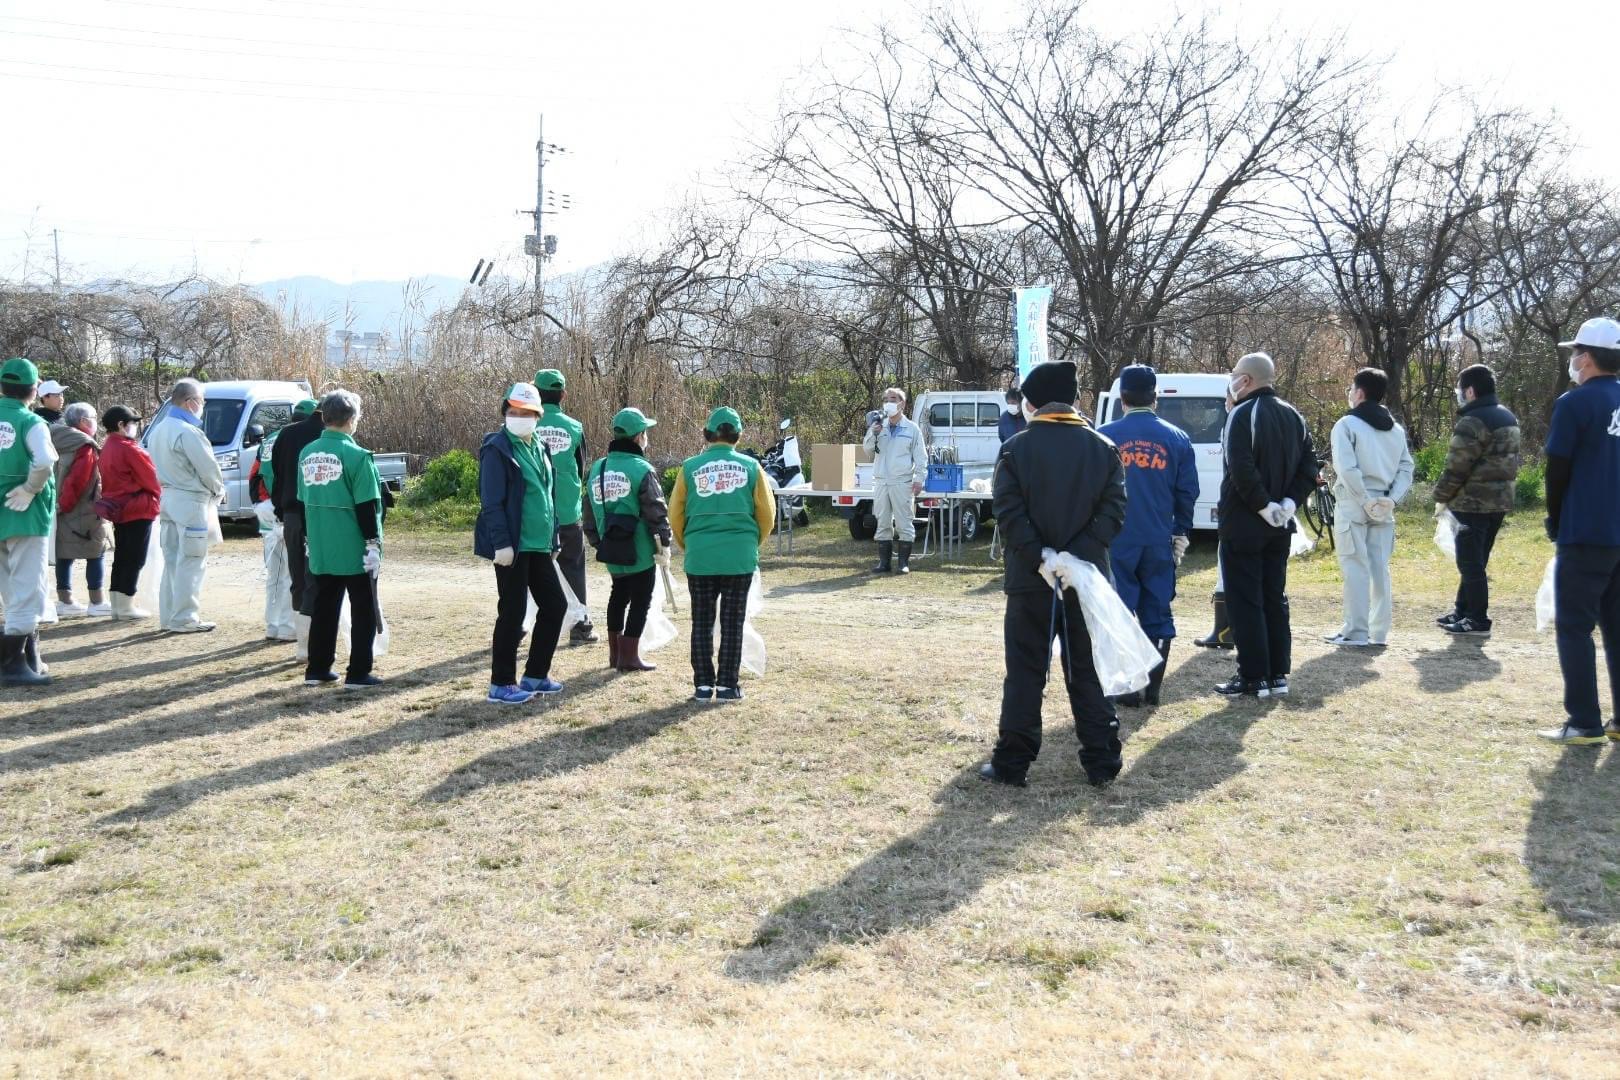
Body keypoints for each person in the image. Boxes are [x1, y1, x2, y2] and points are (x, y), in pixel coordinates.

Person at [979, 360, 1127, 789]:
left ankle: (1012, 763)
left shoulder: (1015, 450)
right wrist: (1072, 557)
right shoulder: (1103, 449)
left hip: (1030, 578)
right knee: (1088, 669)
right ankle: (1102, 760)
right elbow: (1113, 513)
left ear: (1029, 403)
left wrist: (1042, 557)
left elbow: (1009, 514)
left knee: (1025, 671)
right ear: (1076, 399)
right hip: (1086, 579)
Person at [1215, 352, 1318, 698]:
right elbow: (1310, 468)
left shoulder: (1242, 413)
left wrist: (1265, 506)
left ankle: (1252, 675)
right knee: (1274, 596)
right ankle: (1276, 673)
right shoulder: (1294, 415)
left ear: (1246, 380)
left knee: (1245, 599)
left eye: (1235, 374)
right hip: (1279, 525)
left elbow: (1239, 467)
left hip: (1245, 522)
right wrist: (1288, 503)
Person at [1537, 317, 1620, 744]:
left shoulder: (1574, 403)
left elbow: (1558, 469)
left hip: (1585, 530)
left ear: (1586, 357)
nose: (1573, 359)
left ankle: (1584, 721)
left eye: (1575, 352)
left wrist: (1555, 518)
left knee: (1574, 627)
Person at [1099, 364, 1198, 708]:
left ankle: (1126, 689)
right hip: (1159, 538)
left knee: (1119, 611)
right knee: (1157, 611)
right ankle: (1152, 689)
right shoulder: (1177, 438)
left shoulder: (1105, 434)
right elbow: (1188, 491)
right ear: (1155, 398)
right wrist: (1181, 530)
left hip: (1116, 540)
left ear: (1122, 398)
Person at [668, 407, 776, 702]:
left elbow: (675, 514)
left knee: (701, 622)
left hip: (700, 555)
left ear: (707, 434)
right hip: (738, 555)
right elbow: (767, 514)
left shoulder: (689, 467)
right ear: (738, 436)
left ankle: (703, 684)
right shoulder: (752, 467)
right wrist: (752, 542)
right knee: (732, 622)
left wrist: (687, 544)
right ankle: (728, 685)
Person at [475, 382, 568, 704]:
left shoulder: (539, 447)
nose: (519, 417)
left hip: (539, 544)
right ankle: (501, 683)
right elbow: (492, 502)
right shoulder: (497, 448)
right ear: (505, 412)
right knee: (512, 613)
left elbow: (548, 495)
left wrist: (553, 535)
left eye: (526, 412)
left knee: (555, 605)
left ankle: (535, 675)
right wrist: (502, 543)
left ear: (538, 415)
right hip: (512, 547)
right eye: (514, 411)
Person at [297, 389, 383, 689]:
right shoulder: (357, 456)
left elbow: (302, 499)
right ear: (352, 419)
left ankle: (318, 667)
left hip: (320, 542)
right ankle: (358, 671)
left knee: (324, 606)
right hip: (353, 543)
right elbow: (366, 505)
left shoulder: (307, 453)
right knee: (363, 608)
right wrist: (372, 543)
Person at [1324, 368, 1415, 648]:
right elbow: (1406, 467)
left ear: (1360, 393)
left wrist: (1364, 499)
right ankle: (1378, 633)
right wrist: (1392, 499)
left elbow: (1347, 468)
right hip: (1385, 503)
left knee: (1355, 566)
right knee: (1379, 568)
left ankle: (1356, 631)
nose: (1350, 394)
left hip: (1355, 502)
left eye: (1351, 389)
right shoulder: (1395, 429)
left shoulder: (1346, 425)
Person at [1433, 364, 1522, 640]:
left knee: (1470, 564)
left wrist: (1440, 497)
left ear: (1470, 390)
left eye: (1461, 389)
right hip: (1499, 501)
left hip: (1471, 502)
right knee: (1475, 561)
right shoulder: (1507, 416)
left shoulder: (1472, 421)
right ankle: (1463, 610)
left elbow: (1457, 466)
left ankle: (1477, 619)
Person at [584, 407, 673, 674]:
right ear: (638, 437)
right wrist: (665, 543)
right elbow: (655, 510)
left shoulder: (598, 467)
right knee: (641, 597)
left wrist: (596, 540)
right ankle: (630, 656)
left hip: (609, 546)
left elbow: (587, 510)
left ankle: (615, 654)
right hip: (639, 547)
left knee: (619, 594)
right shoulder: (642, 468)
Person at [148, 378, 224, 633]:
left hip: (167, 497)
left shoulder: (159, 429)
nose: (202, 406)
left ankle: (170, 616)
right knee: (191, 560)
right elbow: (208, 469)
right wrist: (218, 490)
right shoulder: (188, 432)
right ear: (191, 403)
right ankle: (185, 617)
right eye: (201, 401)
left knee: (171, 560)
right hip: (190, 500)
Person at [0, 358, 59, 685]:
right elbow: (45, 461)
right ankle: (12, 665)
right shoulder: (30, 422)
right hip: (24, 511)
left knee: (9, 585)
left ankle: (30, 657)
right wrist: (29, 488)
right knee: (28, 585)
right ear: (34, 390)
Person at [532, 368, 598, 646]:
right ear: (563, 394)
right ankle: (580, 628)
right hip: (568, 510)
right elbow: (581, 467)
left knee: (530, 571)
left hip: (534, 513)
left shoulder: (527, 423)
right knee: (573, 568)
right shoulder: (574, 426)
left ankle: (522, 626)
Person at [252, 398, 315, 643]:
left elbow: (254, 475)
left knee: (275, 573)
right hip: (290, 512)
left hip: (268, 513)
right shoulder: (303, 439)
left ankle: (272, 624)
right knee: (294, 573)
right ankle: (289, 627)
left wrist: (261, 504)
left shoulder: (269, 439)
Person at [271, 393, 328, 657]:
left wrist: (280, 511)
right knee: (317, 577)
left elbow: (277, 476)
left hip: (291, 515)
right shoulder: (328, 438)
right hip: (320, 515)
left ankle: (302, 645)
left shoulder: (286, 434)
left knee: (297, 577)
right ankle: (314, 643)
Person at [97, 405, 159, 619]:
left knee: (122, 556)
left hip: (117, 508)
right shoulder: (130, 448)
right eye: (132, 422)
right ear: (121, 425)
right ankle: (126, 605)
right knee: (135, 558)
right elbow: (152, 480)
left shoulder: (107, 447)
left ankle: (117, 604)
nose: (134, 426)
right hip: (137, 507)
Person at [50, 403, 112, 617]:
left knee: (64, 553)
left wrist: (58, 506)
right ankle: (96, 601)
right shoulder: (85, 446)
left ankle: (65, 600)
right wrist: (65, 504)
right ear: (83, 422)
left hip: (58, 507)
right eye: (94, 417)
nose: (96, 421)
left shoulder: (54, 438)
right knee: (96, 552)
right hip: (84, 510)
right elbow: (79, 481)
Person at [862, 386, 928, 574]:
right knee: (882, 522)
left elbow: (921, 458)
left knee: (904, 523)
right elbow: (868, 452)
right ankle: (884, 563)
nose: (889, 403)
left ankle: (903, 564)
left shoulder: (912, 429)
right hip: (881, 481)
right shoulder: (877, 425)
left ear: (902, 403)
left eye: (893, 399)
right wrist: (873, 433)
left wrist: (919, 479)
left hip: (903, 482)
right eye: (886, 399)